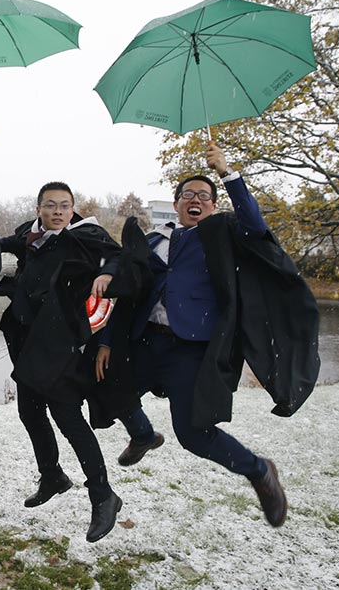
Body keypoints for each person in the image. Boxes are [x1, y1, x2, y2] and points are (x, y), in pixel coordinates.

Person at [96, 142, 320, 528]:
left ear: (213, 205)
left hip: (191, 348)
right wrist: (105, 339)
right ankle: (144, 434)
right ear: (177, 202)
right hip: (145, 338)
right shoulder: (154, 240)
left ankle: (259, 470)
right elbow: (131, 292)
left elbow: (256, 225)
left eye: (203, 195)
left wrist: (227, 174)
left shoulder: (225, 234)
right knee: (105, 387)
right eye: (187, 195)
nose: (194, 199)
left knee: (194, 434)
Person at [0, 181, 129, 543]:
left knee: (67, 417)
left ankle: (103, 494)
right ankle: (52, 475)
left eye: (64, 206)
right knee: (29, 412)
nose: (57, 211)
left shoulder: (86, 235)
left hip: (60, 341)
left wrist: (106, 272)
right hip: (24, 337)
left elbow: (117, 256)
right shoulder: (29, 236)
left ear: (73, 210)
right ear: (38, 208)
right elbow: (1, 244)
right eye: (50, 205)